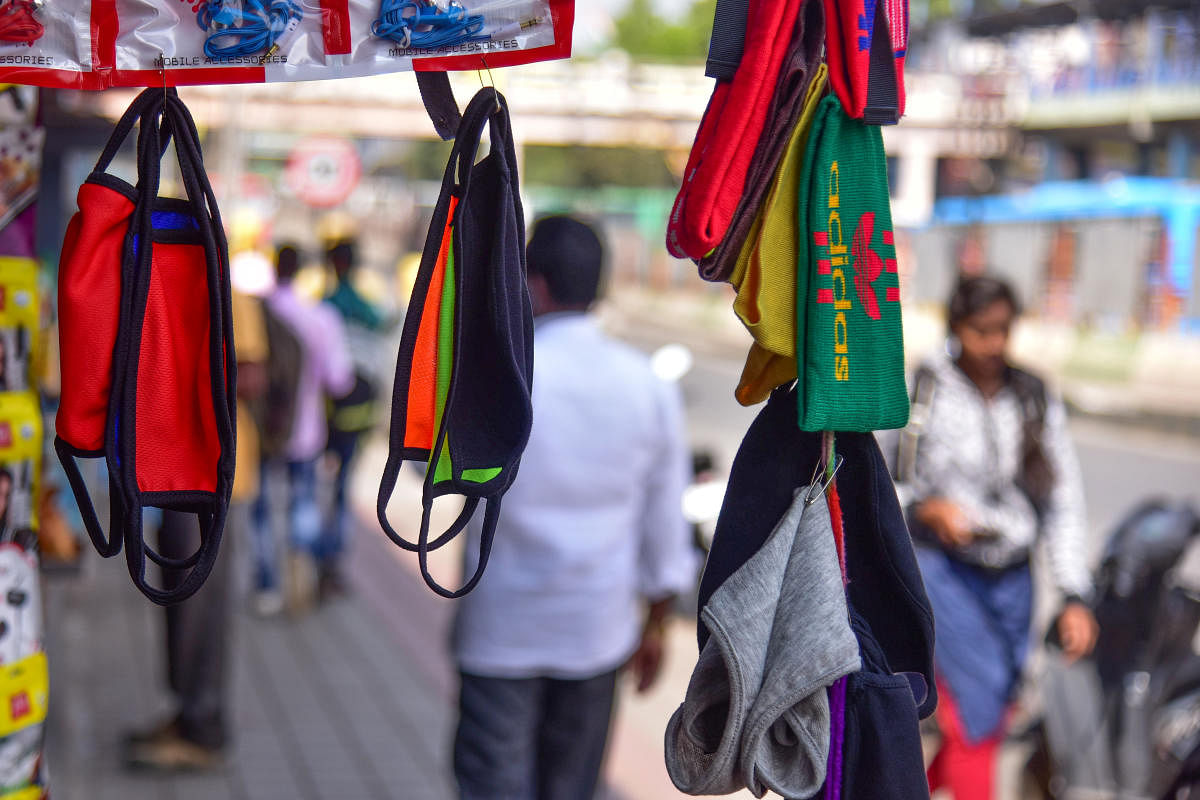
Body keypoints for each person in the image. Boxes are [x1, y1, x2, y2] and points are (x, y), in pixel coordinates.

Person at [450, 216, 698, 800]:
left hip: (500, 627)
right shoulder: (647, 384)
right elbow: (665, 523)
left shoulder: (499, 379)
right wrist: (656, 623)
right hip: (597, 628)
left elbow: (429, 474)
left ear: (531, 284)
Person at [895, 276, 1100, 800]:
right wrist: (926, 507)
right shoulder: (924, 390)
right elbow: (880, 483)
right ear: (957, 327)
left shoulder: (1033, 397)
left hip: (1013, 586)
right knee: (972, 723)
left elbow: (1062, 503)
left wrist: (1073, 595)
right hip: (945, 574)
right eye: (981, 331)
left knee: (992, 714)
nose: (994, 345)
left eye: (1004, 331)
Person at [124, 289, 268, 770]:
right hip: (175, 472)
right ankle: (186, 713)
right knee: (178, 601)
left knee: (202, 609)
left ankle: (204, 729)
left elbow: (250, 377)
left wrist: (180, 371)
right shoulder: (159, 284)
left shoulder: (231, 292)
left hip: (217, 478)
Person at [252, 245, 353, 615]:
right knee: (303, 505)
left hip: (262, 431)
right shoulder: (319, 317)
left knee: (261, 509)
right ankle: (299, 582)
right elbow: (339, 380)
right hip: (306, 430)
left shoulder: (256, 313)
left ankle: (266, 587)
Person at [319, 238, 386, 598]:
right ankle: (332, 568)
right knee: (343, 491)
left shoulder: (324, 307)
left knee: (316, 489)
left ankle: (313, 560)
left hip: (326, 415)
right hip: (358, 417)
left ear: (332, 265)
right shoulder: (368, 309)